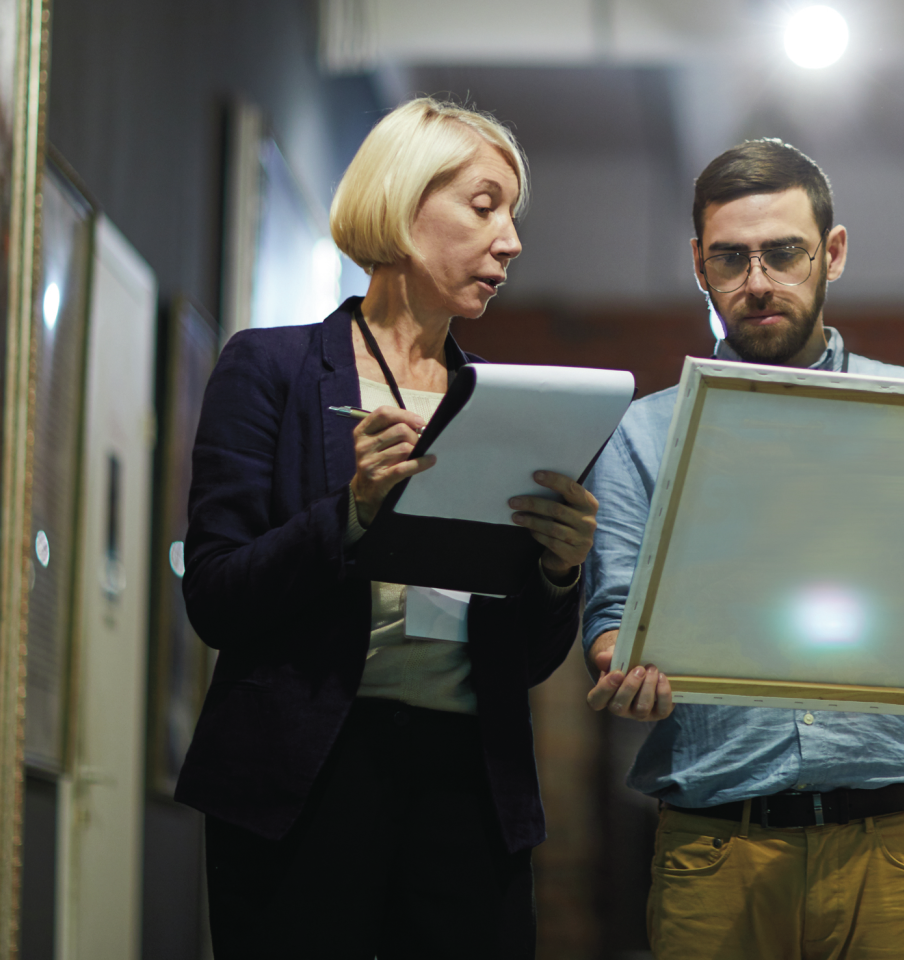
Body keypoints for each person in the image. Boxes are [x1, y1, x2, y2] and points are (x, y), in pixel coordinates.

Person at [580, 137, 904, 960]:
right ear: (699, 264)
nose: (759, 281)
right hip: (715, 850)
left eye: (783, 253)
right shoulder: (643, 436)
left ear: (832, 253)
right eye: (732, 259)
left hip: (891, 845)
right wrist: (625, 672)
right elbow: (610, 631)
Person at [176, 98, 600, 959]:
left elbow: (521, 663)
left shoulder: (511, 413)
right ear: (405, 206)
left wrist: (560, 573)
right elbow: (216, 597)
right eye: (485, 206)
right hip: (303, 779)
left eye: (513, 216)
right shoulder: (272, 368)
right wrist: (352, 514)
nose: (510, 241)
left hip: (468, 789)